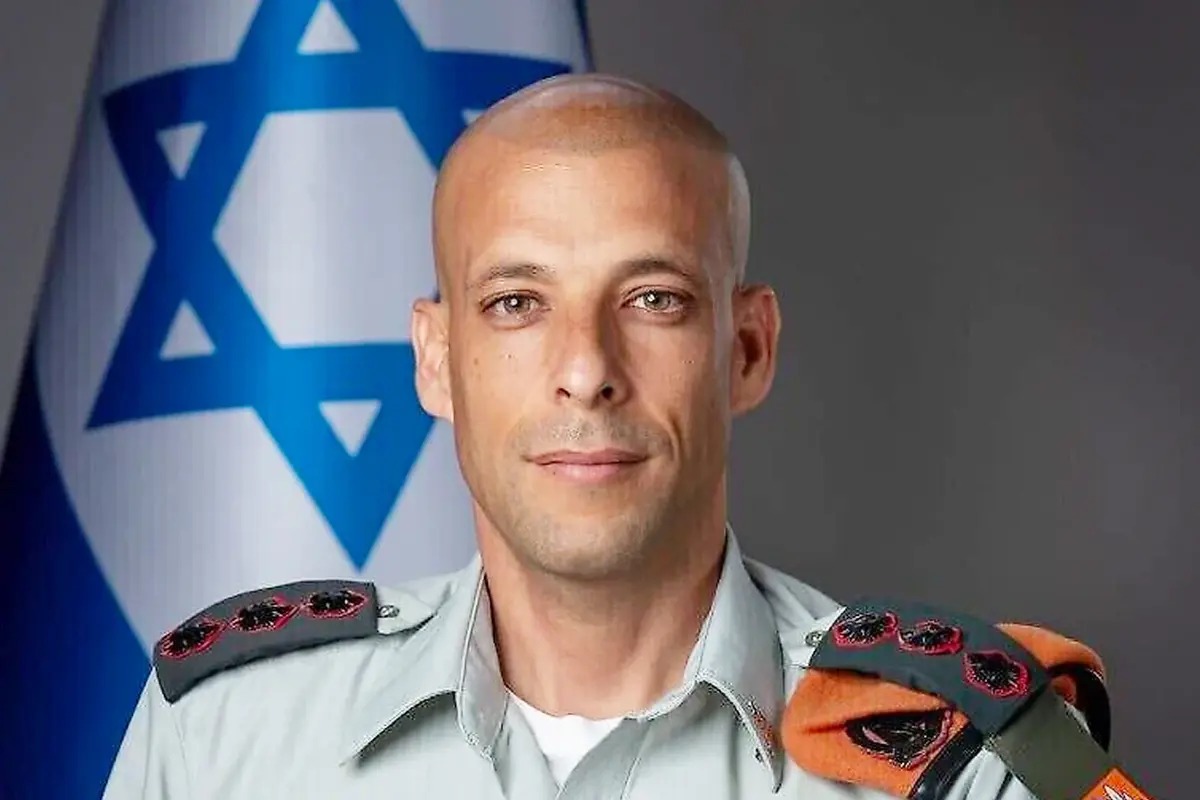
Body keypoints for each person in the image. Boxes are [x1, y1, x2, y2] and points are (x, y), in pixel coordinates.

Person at [101, 73, 1103, 799]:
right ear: (436, 360)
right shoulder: (223, 740)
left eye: (653, 297)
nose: (586, 367)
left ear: (747, 350)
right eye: (516, 303)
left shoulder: (966, 763)